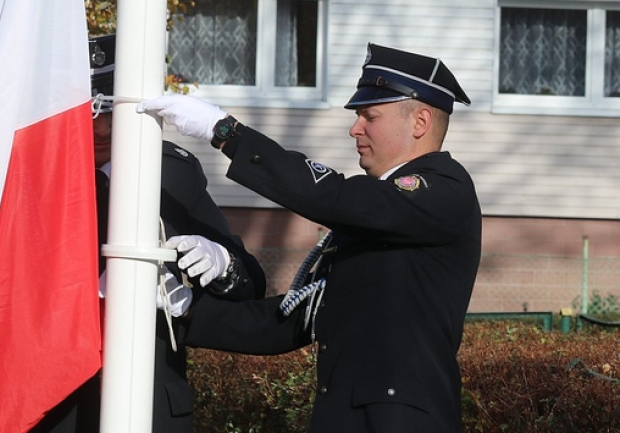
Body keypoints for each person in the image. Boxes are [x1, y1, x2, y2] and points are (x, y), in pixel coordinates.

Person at [138, 43, 482, 433]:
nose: (356, 128)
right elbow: (291, 319)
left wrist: (228, 135)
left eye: (370, 116)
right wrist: (184, 311)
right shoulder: (377, 216)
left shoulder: (443, 190)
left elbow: (337, 197)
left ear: (420, 121)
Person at [32, 35, 266, 433]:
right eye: (89, 111)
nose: (103, 127)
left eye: (114, 108)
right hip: (55, 407)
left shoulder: (171, 172)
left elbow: (250, 281)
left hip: (153, 404)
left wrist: (221, 262)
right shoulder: (33, 177)